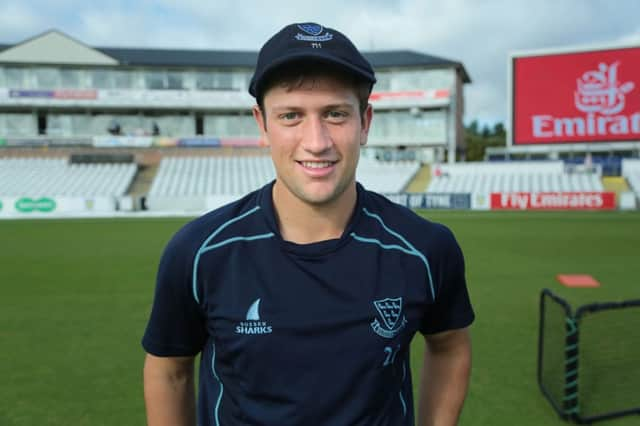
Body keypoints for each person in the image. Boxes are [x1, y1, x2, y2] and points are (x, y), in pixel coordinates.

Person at [142, 22, 474, 426]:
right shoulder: (199, 252)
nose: (316, 141)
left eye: (335, 114)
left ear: (365, 122)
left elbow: (450, 347)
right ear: (262, 124)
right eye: (291, 116)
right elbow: (169, 370)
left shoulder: (425, 248)